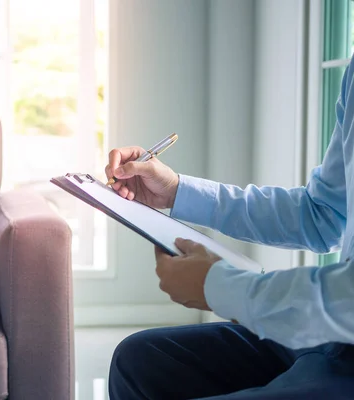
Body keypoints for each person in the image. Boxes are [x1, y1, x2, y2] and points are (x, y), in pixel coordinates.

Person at [104, 61, 354, 398]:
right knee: (138, 360)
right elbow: (322, 214)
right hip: (334, 336)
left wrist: (221, 287)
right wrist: (177, 190)